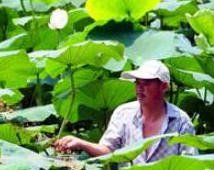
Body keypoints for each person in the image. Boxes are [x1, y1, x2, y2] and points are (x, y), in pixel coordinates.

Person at [54, 60, 197, 164]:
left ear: (164, 86)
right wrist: (81, 143)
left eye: (146, 83)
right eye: (137, 83)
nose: (140, 88)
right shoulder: (123, 114)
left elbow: (190, 162)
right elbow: (108, 150)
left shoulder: (180, 121)